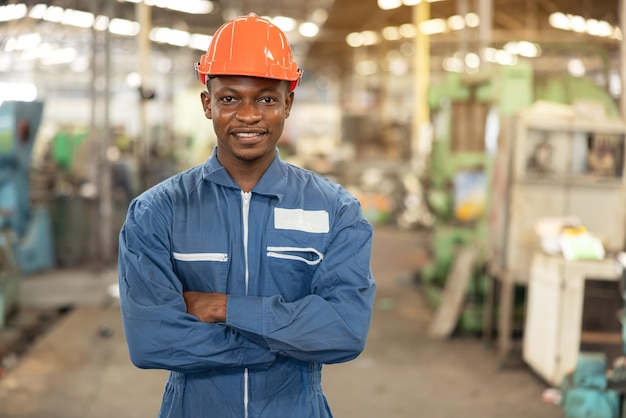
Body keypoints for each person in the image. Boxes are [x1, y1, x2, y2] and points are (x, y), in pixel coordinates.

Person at [118, 12, 376, 418]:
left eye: (267, 98)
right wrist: (280, 341)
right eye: (229, 98)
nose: (249, 114)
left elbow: (344, 331)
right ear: (208, 104)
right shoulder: (157, 212)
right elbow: (151, 340)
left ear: (288, 103)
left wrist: (223, 308)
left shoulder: (335, 210)